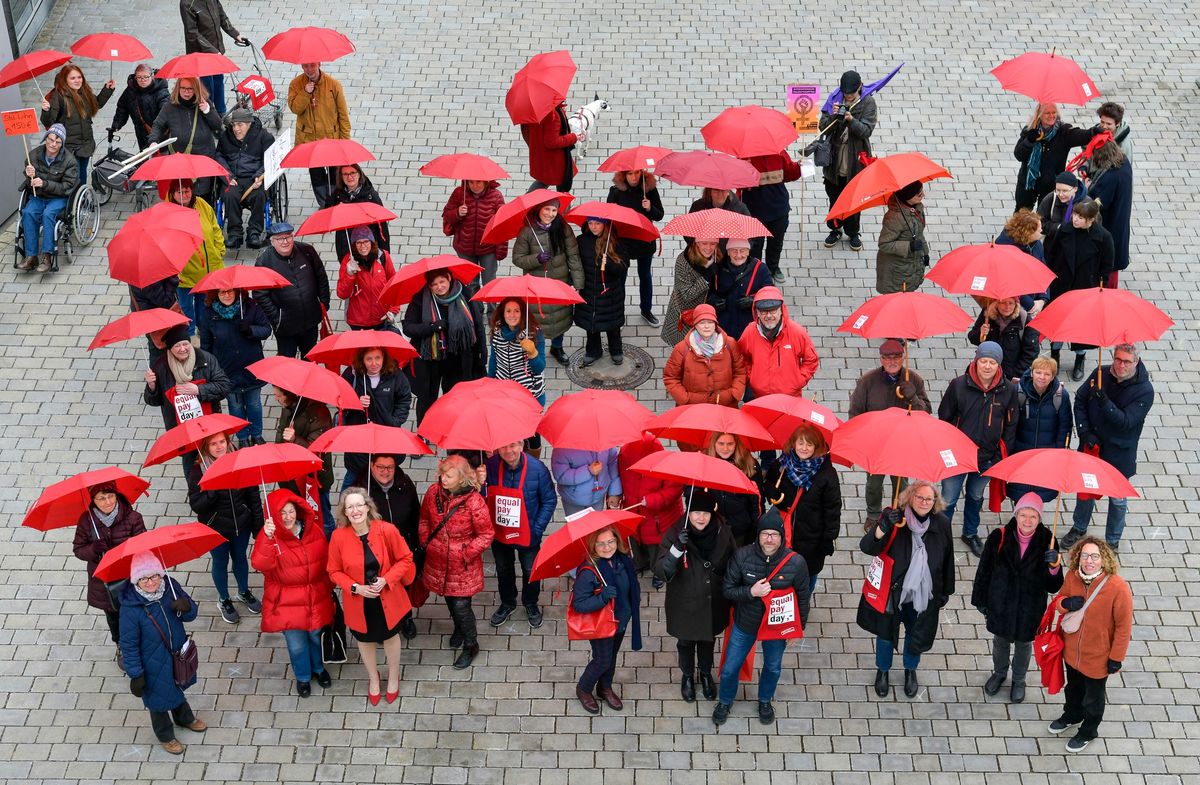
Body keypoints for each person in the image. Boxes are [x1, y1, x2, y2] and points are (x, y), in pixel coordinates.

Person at [858, 481, 954, 699]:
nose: (924, 502)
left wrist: (946, 590)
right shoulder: (894, 518)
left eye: (929, 499)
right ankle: (882, 670)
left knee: (915, 634)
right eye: (919, 497)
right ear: (910, 497)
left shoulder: (942, 523)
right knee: (884, 636)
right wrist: (883, 526)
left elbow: (948, 559)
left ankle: (910, 669)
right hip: (892, 592)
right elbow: (867, 547)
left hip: (923, 594)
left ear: (935, 502)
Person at [713, 509, 810, 726]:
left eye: (774, 534)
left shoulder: (796, 563)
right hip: (746, 623)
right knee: (730, 668)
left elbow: (803, 597)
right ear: (758, 536)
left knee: (773, 667)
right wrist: (751, 593)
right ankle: (725, 701)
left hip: (777, 629)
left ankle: (765, 700)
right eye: (765, 533)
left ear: (782, 537)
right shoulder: (742, 556)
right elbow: (727, 590)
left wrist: (798, 629)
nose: (769, 539)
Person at [970, 493, 1064, 704]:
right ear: (1016, 514)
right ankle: (999, 673)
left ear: (1039, 518)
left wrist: (1054, 567)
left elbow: (1054, 586)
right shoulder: (999, 536)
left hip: (1029, 607)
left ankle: (1019, 680)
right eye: (1023, 515)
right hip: (1001, 603)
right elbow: (984, 570)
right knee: (1000, 642)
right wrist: (981, 601)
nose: (1027, 521)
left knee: (1023, 645)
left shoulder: (1049, 541)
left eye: (1033, 516)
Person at [1061, 344, 1154, 552]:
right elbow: (1080, 401)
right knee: (1085, 492)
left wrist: (1104, 401)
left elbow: (1126, 422)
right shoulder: (1100, 373)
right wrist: (1085, 432)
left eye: (1127, 361)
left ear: (1136, 363)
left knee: (1118, 500)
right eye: (1118, 359)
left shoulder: (1145, 391)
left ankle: (1112, 540)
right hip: (1093, 446)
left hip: (1120, 453)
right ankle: (1079, 527)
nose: (1121, 365)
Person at [326, 489, 415, 704]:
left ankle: (393, 677)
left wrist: (387, 579)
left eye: (359, 505)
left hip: (388, 598)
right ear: (345, 512)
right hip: (359, 601)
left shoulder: (387, 530)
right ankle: (374, 678)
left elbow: (406, 558)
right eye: (350, 507)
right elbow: (333, 571)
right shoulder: (338, 537)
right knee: (365, 641)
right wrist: (355, 587)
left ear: (368, 507)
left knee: (390, 637)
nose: (355, 510)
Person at [1047, 537, 1133, 753]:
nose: (1089, 561)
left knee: (1093, 698)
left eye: (1095, 556)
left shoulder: (1117, 587)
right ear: (1079, 557)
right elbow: (1059, 600)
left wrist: (1116, 657)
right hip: (1072, 651)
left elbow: (1124, 626)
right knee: (1073, 688)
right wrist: (1065, 603)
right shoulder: (1073, 576)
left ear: (1104, 559)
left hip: (1098, 656)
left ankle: (1088, 730)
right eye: (1085, 555)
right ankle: (1072, 715)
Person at [938, 341, 1019, 557]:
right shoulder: (958, 385)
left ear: (999, 365)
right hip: (957, 457)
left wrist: (1003, 453)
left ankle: (970, 533)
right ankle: (939, 536)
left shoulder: (1008, 390)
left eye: (992, 362)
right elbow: (944, 417)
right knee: (948, 499)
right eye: (983, 361)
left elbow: (1011, 425)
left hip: (987, 457)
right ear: (976, 361)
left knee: (975, 497)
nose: (987, 366)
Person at [119, 553, 206, 754]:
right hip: (151, 663)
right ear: (136, 581)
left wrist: (187, 608)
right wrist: (136, 674)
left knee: (175, 687)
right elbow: (129, 645)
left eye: (154, 576)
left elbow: (191, 613)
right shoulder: (130, 609)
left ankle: (184, 719)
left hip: (176, 654)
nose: (150, 582)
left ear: (161, 574)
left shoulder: (171, 587)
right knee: (157, 701)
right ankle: (165, 735)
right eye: (144, 578)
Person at [251, 489, 335, 697]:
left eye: (291, 512)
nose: (288, 518)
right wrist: (268, 539)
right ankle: (303, 677)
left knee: (316, 636)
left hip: (315, 595)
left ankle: (318, 668)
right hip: (287, 600)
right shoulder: (269, 536)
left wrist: (329, 587)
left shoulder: (312, 530)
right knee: (296, 644)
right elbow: (260, 563)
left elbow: (325, 560)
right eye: (282, 514)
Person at [655, 488, 736, 702]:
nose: (701, 518)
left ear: (712, 513)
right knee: (686, 642)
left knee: (707, 641)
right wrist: (676, 549)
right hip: (685, 601)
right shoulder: (675, 533)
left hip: (713, 600)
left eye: (706, 513)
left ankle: (706, 673)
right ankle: (688, 675)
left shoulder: (723, 531)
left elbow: (734, 562)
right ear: (688, 513)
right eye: (696, 512)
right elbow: (663, 571)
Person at [418, 455, 494, 669]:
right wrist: (426, 540)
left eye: (449, 476)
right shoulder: (434, 493)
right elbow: (424, 519)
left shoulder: (474, 502)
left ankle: (471, 644)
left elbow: (486, 534)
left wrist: (466, 553)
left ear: (461, 478)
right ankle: (459, 628)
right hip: (438, 560)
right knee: (450, 599)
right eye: (442, 474)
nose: (443, 479)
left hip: (463, 564)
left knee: (461, 605)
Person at [849, 339, 932, 525]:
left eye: (896, 357)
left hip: (903, 442)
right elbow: (855, 412)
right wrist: (863, 439)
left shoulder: (914, 379)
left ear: (903, 358)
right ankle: (873, 514)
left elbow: (926, 412)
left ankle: (899, 512)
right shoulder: (868, 381)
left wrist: (913, 397)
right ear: (881, 360)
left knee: (901, 484)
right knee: (873, 484)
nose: (892, 361)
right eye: (887, 358)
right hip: (876, 443)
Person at [187, 431, 263, 624]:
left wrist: (258, 524)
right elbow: (196, 505)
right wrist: (211, 490)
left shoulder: (240, 462)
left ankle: (244, 591)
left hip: (241, 524)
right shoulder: (198, 470)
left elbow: (253, 495)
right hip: (215, 528)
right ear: (205, 447)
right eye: (213, 444)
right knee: (220, 562)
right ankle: (224, 599)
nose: (219, 446)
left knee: (240, 558)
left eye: (222, 441)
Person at [71, 482, 147, 671]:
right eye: (101, 498)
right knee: (113, 614)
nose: (107, 502)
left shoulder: (133, 518)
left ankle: (140, 643)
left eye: (110, 496)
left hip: (130, 575)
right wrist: (93, 549)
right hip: (103, 580)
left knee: (136, 611)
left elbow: (143, 544)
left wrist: (125, 552)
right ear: (93, 501)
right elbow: (78, 550)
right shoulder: (86, 521)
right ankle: (121, 644)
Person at [483, 441, 557, 629]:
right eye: (504, 446)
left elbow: (549, 500)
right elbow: (480, 499)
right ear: (497, 448)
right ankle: (507, 602)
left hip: (528, 534)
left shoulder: (538, 469)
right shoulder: (489, 467)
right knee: (503, 568)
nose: (508, 451)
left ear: (522, 444)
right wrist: (478, 482)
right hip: (500, 533)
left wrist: (536, 529)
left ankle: (531, 603)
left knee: (530, 570)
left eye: (513, 445)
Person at [760, 425, 842, 592]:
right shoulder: (783, 463)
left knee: (807, 575)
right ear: (794, 443)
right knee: (780, 570)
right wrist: (773, 494)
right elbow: (767, 484)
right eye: (801, 443)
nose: (804, 448)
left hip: (811, 538)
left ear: (817, 447)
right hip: (784, 533)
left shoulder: (827, 474)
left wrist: (828, 539)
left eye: (809, 444)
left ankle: (802, 606)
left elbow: (832, 510)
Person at [143, 324, 231, 474]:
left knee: (219, 466)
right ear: (170, 348)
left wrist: (198, 390)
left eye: (185, 344)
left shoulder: (206, 359)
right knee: (192, 470)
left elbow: (224, 386)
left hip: (208, 426)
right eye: (177, 346)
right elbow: (154, 401)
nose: (182, 349)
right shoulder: (160, 366)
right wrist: (151, 387)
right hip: (182, 431)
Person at [572, 526, 642, 714]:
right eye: (600, 543)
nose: (607, 547)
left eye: (610, 541)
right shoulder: (588, 571)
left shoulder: (624, 560)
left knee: (611, 657)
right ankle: (584, 689)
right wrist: (602, 597)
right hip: (602, 625)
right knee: (602, 661)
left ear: (617, 540)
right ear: (593, 545)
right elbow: (579, 604)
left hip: (621, 620)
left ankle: (605, 688)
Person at [402, 269, 486, 424]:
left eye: (442, 282)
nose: (439, 287)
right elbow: (408, 327)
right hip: (431, 357)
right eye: (434, 284)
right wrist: (431, 326)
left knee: (456, 396)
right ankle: (424, 430)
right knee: (427, 397)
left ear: (449, 278)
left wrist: (482, 351)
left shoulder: (465, 294)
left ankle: (453, 428)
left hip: (458, 356)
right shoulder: (421, 298)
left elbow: (478, 324)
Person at [1044, 199, 1114, 381]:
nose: (1075, 219)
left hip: (1086, 288)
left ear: (1091, 220)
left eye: (1080, 217)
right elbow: (1051, 255)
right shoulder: (1065, 231)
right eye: (1075, 214)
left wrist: (1101, 288)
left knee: (1081, 328)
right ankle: (1055, 354)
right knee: (1058, 323)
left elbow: (1106, 267)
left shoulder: (1104, 237)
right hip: (1062, 286)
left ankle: (1080, 358)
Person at [510, 200, 583, 364]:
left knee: (560, 317)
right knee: (537, 319)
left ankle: (557, 347)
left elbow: (573, 256)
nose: (550, 214)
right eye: (547, 209)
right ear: (538, 209)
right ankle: (536, 350)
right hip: (535, 285)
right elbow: (517, 259)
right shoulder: (527, 231)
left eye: (554, 210)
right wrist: (536, 258)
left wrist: (578, 283)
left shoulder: (563, 228)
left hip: (559, 281)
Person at [199, 288, 270, 447]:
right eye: (222, 292)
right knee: (235, 405)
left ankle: (257, 434)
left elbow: (266, 330)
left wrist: (250, 330)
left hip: (251, 367)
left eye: (230, 291)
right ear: (215, 294)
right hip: (226, 370)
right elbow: (206, 344)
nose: (226, 295)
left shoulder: (251, 307)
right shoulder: (208, 314)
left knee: (254, 404)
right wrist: (206, 369)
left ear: (238, 292)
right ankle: (242, 437)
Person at [252, 222, 331, 358]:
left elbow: (321, 277)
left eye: (288, 237)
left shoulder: (307, 251)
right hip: (285, 326)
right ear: (272, 242)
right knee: (287, 359)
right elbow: (260, 294)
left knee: (310, 357)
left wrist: (323, 302)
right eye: (280, 238)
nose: (285, 241)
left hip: (311, 319)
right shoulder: (264, 262)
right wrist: (277, 318)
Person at [818, 70, 877, 251]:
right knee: (834, 196)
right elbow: (822, 127)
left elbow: (866, 131)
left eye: (851, 94)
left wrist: (851, 120)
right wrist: (834, 117)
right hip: (835, 159)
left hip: (855, 160)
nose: (848, 97)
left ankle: (853, 231)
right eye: (846, 94)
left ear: (860, 86)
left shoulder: (868, 102)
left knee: (853, 199)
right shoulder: (835, 98)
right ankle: (835, 228)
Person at [339, 347, 412, 488]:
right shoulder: (352, 374)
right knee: (353, 476)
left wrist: (394, 422)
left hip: (387, 435)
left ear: (384, 358)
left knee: (385, 473)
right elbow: (340, 399)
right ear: (362, 360)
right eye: (369, 359)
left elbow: (404, 399)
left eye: (377, 358)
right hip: (359, 434)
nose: (374, 363)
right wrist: (355, 402)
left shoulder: (396, 375)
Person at [366, 454, 421, 639]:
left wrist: (416, 544)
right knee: (379, 586)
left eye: (390, 467)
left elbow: (416, 514)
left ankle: (406, 618)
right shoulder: (363, 487)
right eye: (380, 467)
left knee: (404, 582)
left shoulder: (405, 484)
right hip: (375, 548)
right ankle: (385, 622)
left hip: (402, 544)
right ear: (372, 466)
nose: (385, 472)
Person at [1008, 355, 1074, 503]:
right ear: (1031, 373)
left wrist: (1058, 454)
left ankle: (1034, 523)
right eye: (1038, 372)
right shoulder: (1017, 391)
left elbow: (1065, 427)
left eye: (1047, 374)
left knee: (1040, 495)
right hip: (1020, 452)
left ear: (1053, 377)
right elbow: (1009, 423)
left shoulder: (1060, 396)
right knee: (1020, 495)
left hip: (1047, 455)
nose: (1042, 377)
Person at [618, 432, 684, 577]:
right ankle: (640, 563)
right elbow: (619, 479)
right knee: (637, 543)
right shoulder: (624, 459)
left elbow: (673, 490)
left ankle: (659, 572)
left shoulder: (668, 465)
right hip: (635, 514)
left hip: (659, 520)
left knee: (657, 550)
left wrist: (652, 500)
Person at [165, 178, 225, 338]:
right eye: (179, 192)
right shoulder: (167, 212)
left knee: (203, 305)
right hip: (184, 273)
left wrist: (220, 249)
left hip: (208, 269)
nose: (184, 195)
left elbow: (215, 227)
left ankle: (202, 332)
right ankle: (188, 337)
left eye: (187, 191)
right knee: (185, 307)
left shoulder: (201, 204)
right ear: (172, 193)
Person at [737, 287, 820, 402]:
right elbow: (741, 357)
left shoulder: (797, 332)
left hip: (790, 398)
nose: (769, 316)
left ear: (781, 310)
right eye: (764, 311)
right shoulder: (750, 332)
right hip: (759, 398)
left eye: (773, 310)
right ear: (757, 313)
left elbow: (811, 360)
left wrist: (798, 380)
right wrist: (752, 377)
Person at [486, 298, 546, 455]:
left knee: (532, 432)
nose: (512, 315)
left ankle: (533, 461)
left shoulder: (534, 333)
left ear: (523, 313)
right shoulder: (497, 331)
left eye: (516, 311)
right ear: (502, 313)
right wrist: (489, 384)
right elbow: (494, 359)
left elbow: (539, 368)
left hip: (529, 393)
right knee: (507, 429)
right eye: (508, 311)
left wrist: (533, 353)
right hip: (503, 392)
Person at [274, 385, 335, 537]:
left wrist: (294, 439)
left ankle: (328, 542)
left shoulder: (320, 415)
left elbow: (315, 452)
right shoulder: (289, 406)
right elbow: (281, 432)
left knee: (323, 516)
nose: (276, 399)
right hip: (291, 476)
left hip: (314, 479)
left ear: (290, 395)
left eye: (279, 395)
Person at [17, 123, 78, 273]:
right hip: (39, 195)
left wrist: (44, 183)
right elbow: (29, 177)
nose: (53, 144)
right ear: (45, 139)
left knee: (48, 214)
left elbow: (67, 187)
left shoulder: (69, 161)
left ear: (62, 143)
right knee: (28, 212)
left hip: (58, 197)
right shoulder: (34, 155)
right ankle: (31, 256)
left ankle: (47, 256)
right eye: (50, 140)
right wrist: (29, 172)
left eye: (57, 142)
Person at [148, 79, 223, 199]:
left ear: (196, 89)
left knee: (203, 194)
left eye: (190, 89)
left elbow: (217, 125)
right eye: (183, 88)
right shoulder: (170, 106)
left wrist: (207, 111)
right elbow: (158, 125)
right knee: (183, 194)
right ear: (178, 88)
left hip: (203, 157)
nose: (186, 92)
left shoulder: (204, 102)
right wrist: (153, 141)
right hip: (181, 158)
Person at [288, 62, 351, 204]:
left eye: (312, 65)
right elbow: (295, 108)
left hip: (331, 137)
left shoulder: (333, 85)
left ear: (319, 64)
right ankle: (324, 203)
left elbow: (343, 115)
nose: (309, 70)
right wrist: (305, 93)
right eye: (305, 66)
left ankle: (337, 199)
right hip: (309, 139)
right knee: (316, 174)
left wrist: (345, 141)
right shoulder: (296, 84)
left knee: (335, 172)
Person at [1014, 102, 1098, 210]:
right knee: (1021, 216)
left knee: (1044, 218)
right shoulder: (1030, 130)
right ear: (1039, 115)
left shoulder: (1063, 131)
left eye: (1054, 112)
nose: (1051, 116)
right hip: (1027, 182)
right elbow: (1018, 155)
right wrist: (1029, 141)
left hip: (1050, 185)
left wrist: (1093, 132)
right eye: (1047, 113)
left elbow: (1080, 135)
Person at [606, 169, 664, 324]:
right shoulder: (616, 191)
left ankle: (646, 310)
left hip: (644, 240)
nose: (633, 177)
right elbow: (608, 216)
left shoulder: (649, 190)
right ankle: (619, 313)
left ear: (642, 173)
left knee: (645, 275)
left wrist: (650, 208)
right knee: (621, 278)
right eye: (630, 174)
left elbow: (659, 215)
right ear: (623, 175)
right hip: (623, 241)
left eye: (637, 173)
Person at [39, 63, 114, 183]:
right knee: (75, 177)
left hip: (86, 144)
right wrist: (46, 110)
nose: (77, 81)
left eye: (79, 77)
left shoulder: (84, 92)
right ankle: (75, 198)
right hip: (69, 147)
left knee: (82, 173)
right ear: (65, 80)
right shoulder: (58, 97)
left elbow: (96, 104)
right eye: (73, 78)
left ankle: (82, 198)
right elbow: (48, 122)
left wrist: (107, 90)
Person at [663, 304, 747, 409]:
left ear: (715, 324)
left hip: (725, 406)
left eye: (710, 322)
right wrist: (685, 399)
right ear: (695, 325)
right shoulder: (681, 348)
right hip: (692, 408)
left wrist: (733, 394)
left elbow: (740, 371)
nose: (706, 326)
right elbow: (670, 377)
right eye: (702, 323)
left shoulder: (730, 344)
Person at [215, 107, 275, 250]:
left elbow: (270, 160)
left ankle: (254, 232)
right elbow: (219, 157)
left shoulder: (264, 137)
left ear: (249, 124)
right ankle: (235, 234)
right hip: (233, 178)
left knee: (259, 195)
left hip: (255, 179)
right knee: (229, 195)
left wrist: (258, 176)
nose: (236, 129)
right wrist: (227, 176)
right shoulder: (226, 137)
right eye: (234, 125)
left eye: (240, 125)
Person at [741, 148, 803, 280]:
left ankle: (773, 268)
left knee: (776, 243)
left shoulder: (779, 153)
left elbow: (789, 174)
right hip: (754, 211)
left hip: (778, 208)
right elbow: (738, 183)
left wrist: (799, 166)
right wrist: (745, 169)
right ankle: (755, 272)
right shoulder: (744, 157)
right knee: (754, 246)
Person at [574, 217, 628, 366]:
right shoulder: (581, 241)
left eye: (597, 223)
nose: (594, 227)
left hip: (610, 292)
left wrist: (610, 263)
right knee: (591, 324)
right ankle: (593, 350)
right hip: (589, 290)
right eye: (590, 223)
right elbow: (575, 264)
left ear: (605, 224)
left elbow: (624, 267)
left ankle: (616, 349)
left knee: (613, 325)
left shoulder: (616, 242)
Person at [1079, 139, 1132, 286]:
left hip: (1109, 226)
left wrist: (1086, 188)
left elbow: (1098, 204)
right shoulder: (1124, 162)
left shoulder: (1111, 177)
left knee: (1107, 272)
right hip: (1119, 223)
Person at [179, 0, 245, 115]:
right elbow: (192, 33)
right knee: (207, 85)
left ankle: (221, 112)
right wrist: (212, 51)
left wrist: (235, 34)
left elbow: (222, 15)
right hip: (201, 53)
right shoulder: (187, 4)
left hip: (215, 49)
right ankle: (210, 113)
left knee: (218, 80)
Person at [442, 179, 508, 288]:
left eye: (478, 182)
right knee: (471, 284)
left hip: (488, 248)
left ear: (485, 182)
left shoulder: (496, 196)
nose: (475, 186)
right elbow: (447, 215)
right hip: (465, 248)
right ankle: (475, 306)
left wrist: (501, 249)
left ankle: (493, 306)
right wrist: (457, 213)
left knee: (489, 282)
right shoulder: (459, 193)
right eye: (471, 182)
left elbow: (502, 224)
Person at [704, 432, 762, 546]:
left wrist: (755, 527)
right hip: (712, 527)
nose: (725, 448)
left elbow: (757, 500)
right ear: (714, 444)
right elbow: (692, 494)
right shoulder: (705, 463)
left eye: (730, 444)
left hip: (740, 528)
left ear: (736, 444)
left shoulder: (749, 464)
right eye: (721, 443)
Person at [708, 239, 773, 341]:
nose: (738, 255)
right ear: (728, 252)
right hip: (724, 328)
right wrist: (714, 301)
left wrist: (753, 300)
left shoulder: (760, 269)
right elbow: (708, 294)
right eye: (734, 250)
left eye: (742, 250)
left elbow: (771, 295)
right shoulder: (718, 268)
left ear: (748, 252)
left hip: (749, 328)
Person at [337, 227, 399, 331]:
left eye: (366, 241)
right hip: (358, 322)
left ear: (372, 242)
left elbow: (394, 285)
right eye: (358, 243)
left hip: (381, 318)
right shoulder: (348, 261)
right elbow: (342, 294)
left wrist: (393, 310)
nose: (363, 246)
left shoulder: (383, 257)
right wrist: (349, 275)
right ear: (354, 245)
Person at [661, 238, 720, 347]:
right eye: (704, 243)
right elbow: (687, 295)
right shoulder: (683, 262)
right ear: (696, 243)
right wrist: (706, 277)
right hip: (687, 313)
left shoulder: (717, 257)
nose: (708, 248)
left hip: (707, 313)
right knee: (686, 348)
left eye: (713, 244)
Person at [325, 164, 390, 259]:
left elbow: (381, 227)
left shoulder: (371, 197)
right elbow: (329, 215)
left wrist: (385, 253)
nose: (349, 177)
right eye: (345, 174)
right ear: (341, 176)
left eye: (352, 173)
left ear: (359, 174)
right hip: (347, 244)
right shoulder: (338, 195)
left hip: (367, 246)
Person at [967, 296, 1040, 381]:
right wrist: (981, 333)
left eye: (1011, 303)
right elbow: (972, 338)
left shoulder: (1024, 319)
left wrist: (1016, 374)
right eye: (1003, 302)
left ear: (1016, 305)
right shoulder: (987, 314)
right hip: (986, 371)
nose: (1007, 307)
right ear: (997, 303)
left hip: (1009, 376)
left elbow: (1031, 352)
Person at [876, 180, 929, 294]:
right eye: (919, 194)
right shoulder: (894, 218)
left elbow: (919, 233)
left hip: (910, 264)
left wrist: (925, 252)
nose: (923, 195)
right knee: (897, 300)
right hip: (897, 270)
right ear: (908, 196)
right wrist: (909, 246)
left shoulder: (917, 208)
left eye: (922, 191)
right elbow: (884, 244)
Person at [995, 209, 1048, 313]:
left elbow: (1043, 271)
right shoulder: (1004, 249)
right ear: (1029, 233)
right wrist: (1031, 305)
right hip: (1013, 306)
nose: (1042, 231)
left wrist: (1043, 299)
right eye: (1039, 230)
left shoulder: (1036, 244)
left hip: (1035, 301)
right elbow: (1009, 283)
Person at [110, 64, 170, 151]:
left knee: (161, 158)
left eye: (146, 77)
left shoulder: (161, 91)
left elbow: (165, 111)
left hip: (160, 134)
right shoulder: (130, 91)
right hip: (141, 132)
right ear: (135, 78)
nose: (143, 80)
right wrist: (116, 125)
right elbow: (122, 107)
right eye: (139, 77)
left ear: (152, 76)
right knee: (145, 158)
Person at [521, 100, 578, 191]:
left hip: (541, 156)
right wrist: (573, 137)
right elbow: (552, 142)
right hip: (555, 160)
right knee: (562, 183)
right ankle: (563, 203)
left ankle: (528, 200)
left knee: (543, 181)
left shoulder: (532, 110)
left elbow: (526, 132)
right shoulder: (553, 116)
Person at [552, 447, 622, 517]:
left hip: (598, 496)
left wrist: (614, 492)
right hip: (573, 499)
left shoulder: (606, 442)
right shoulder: (562, 449)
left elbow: (612, 465)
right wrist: (588, 471)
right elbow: (561, 475)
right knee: (576, 526)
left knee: (595, 525)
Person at [1037, 172, 1083, 249]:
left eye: (1065, 191)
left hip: (1075, 247)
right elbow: (1040, 222)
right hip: (1052, 246)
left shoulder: (1086, 203)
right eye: (1058, 190)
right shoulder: (1050, 198)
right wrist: (1058, 228)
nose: (1060, 194)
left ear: (1075, 189)